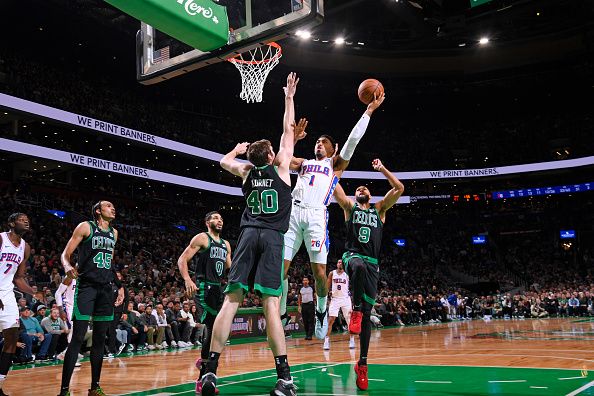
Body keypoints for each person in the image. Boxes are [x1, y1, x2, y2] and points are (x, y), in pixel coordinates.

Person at [200, 72, 299, 396]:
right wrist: (288, 97)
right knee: (271, 304)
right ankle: (283, 377)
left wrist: (237, 149)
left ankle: (210, 372)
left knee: (231, 302)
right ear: (270, 157)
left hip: (246, 235)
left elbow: (222, 161)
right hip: (271, 237)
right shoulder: (282, 165)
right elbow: (288, 130)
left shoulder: (245, 171)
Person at [281, 90, 385, 341]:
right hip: (294, 213)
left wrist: (368, 111)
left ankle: (320, 311)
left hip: (317, 216)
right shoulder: (303, 162)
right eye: (317, 141)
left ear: (332, 149)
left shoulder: (334, 166)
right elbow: (278, 161)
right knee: (279, 271)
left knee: (319, 274)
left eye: (324, 142)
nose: (319, 143)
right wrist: (292, 139)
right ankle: (282, 313)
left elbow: (353, 140)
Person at [333, 159, 404, 390]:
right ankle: (354, 309)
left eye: (364, 188)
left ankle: (362, 364)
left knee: (366, 316)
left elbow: (399, 188)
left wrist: (382, 168)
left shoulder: (380, 210)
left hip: (373, 264)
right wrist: (333, 170)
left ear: (371, 195)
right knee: (359, 268)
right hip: (352, 256)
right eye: (357, 189)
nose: (360, 189)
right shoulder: (349, 208)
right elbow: (334, 184)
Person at [58, 201, 125, 396]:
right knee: (77, 338)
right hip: (86, 287)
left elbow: (110, 264)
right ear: (98, 210)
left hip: (105, 289)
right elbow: (66, 253)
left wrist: (119, 287)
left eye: (114, 206)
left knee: (99, 340)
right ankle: (64, 391)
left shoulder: (114, 233)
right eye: (109, 206)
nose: (113, 208)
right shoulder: (86, 226)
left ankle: (94, 387)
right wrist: (68, 266)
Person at [177, 211, 232, 390]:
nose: (220, 220)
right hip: (204, 286)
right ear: (207, 222)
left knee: (218, 330)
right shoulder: (202, 238)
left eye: (221, 218)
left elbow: (230, 268)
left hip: (218, 288)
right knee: (211, 327)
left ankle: (205, 362)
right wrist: (187, 279)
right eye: (216, 218)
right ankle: (202, 379)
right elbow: (182, 259)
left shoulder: (226, 244)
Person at [0, 213, 36, 395]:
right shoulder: (0, 239)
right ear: (12, 222)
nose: (26, 221)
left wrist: (33, 293)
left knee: (12, 340)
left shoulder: (25, 247)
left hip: (6, 295)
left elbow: (19, 278)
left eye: (27, 219)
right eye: (22, 219)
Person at [324, 260, 355, 350]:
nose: (339, 263)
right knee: (331, 320)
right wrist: (326, 296)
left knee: (349, 320)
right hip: (335, 299)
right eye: (338, 262)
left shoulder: (347, 274)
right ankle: (326, 341)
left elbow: (352, 286)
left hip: (345, 299)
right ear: (336, 264)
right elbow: (327, 285)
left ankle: (352, 339)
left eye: (341, 262)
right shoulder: (332, 273)